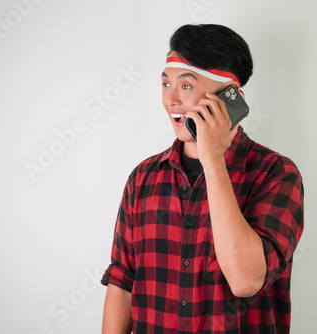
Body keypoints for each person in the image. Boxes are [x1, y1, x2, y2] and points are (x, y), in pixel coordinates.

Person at [101, 24, 304, 334]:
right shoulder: (143, 179)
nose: (170, 100)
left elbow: (246, 280)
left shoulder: (275, 174)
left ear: (229, 96)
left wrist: (212, 158)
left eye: (185, 86)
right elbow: (122, 282)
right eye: (165, 84)